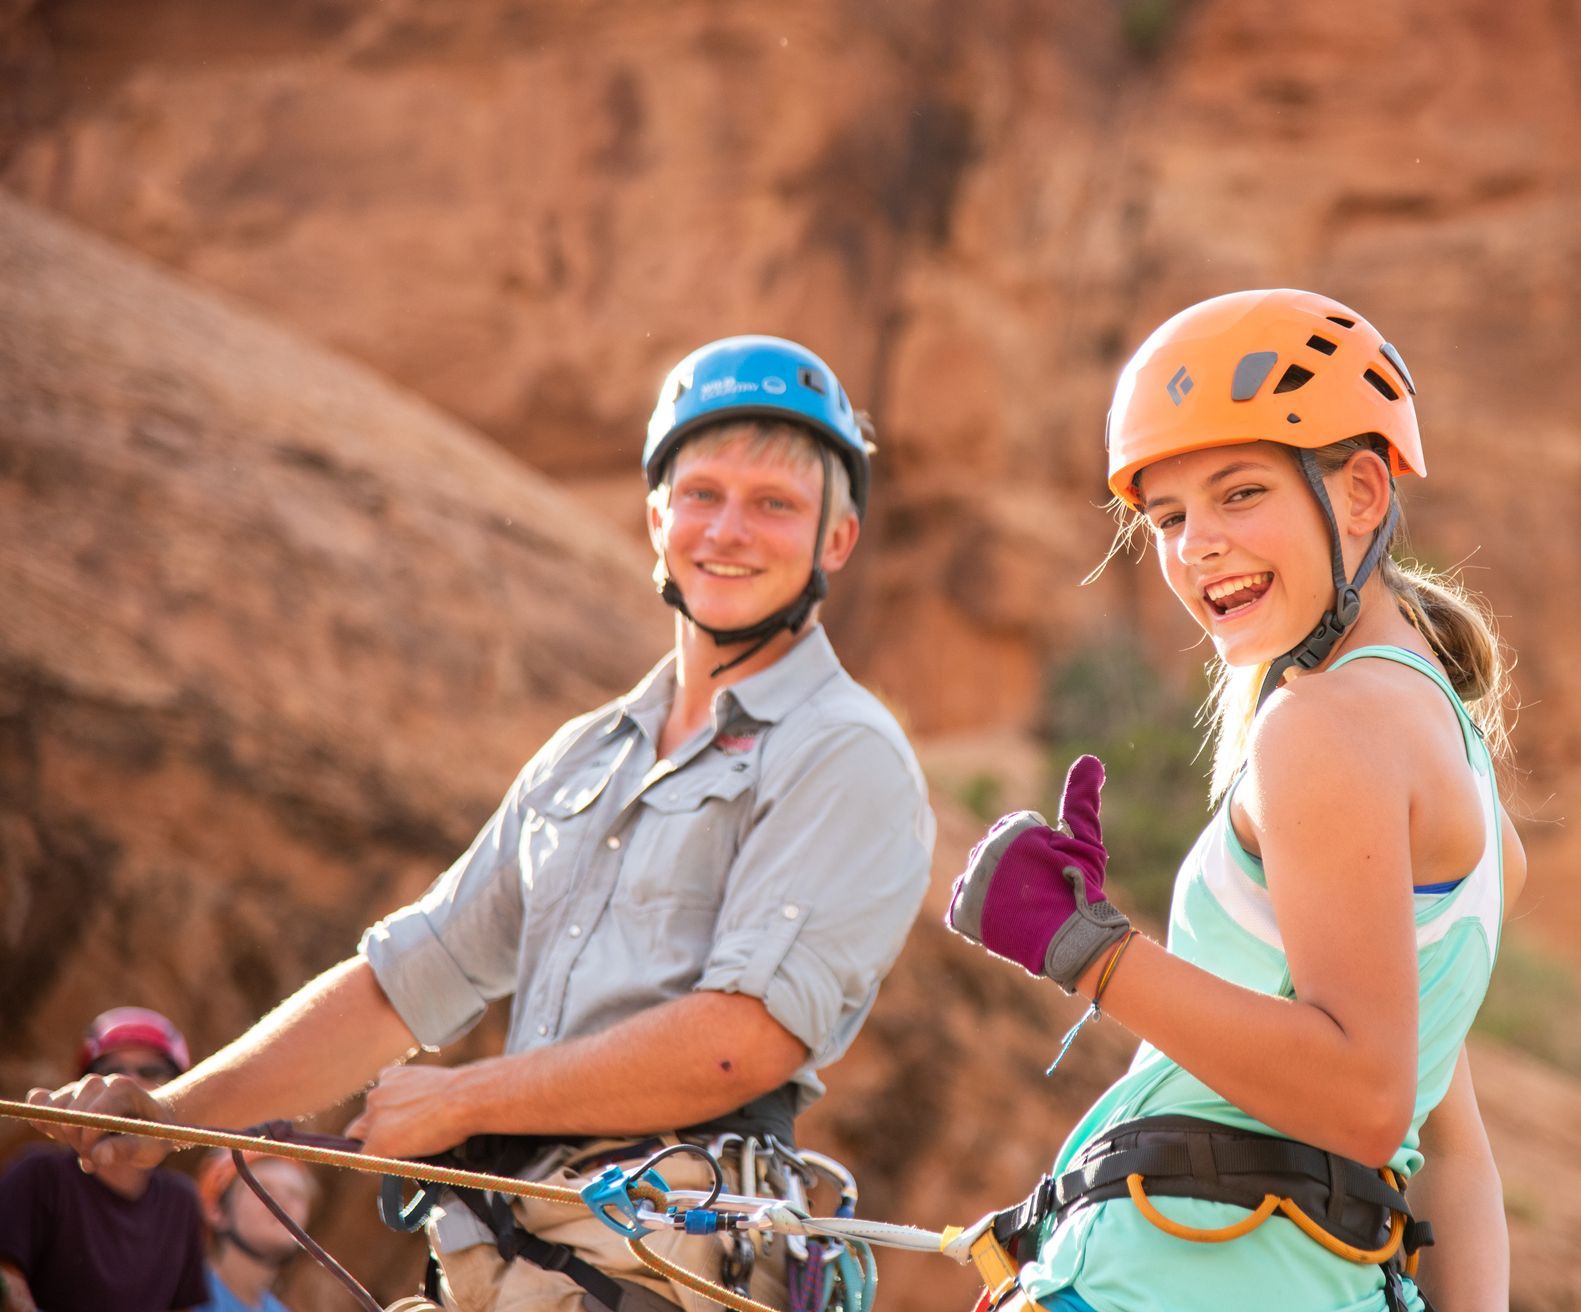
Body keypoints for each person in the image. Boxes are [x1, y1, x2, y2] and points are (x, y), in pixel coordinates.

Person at [27, 336, 935, 1311]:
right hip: (503, 1269)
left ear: (835, 541)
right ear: (655, 515)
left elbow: (739, 1045)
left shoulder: (843, 750)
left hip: (664, 1267)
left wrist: (463, 1099)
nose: (730, 529)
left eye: (776, 503)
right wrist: (172, 1113)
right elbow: (401, 986)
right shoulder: (585, 755)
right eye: (703, 492)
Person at [948, 290, 1526, 1312]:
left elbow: (1363, 1097)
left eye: (1240, 492)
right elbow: (1453, 1148)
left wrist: (1086, 949)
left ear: (1359, 491)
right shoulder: (1453, 763)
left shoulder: (1323, 724)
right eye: (1167, 517)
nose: (1196, 544)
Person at [0, 1008, 208, 1312]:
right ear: (85, 1086)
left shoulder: (182, 1203)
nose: (127, 1082)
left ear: (179, 1090)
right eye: (111, 1070)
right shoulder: (41, 1175)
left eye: (150, 1072)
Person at [194, 1153, 316, 1312]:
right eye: (263, 1189)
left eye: (295, 1194)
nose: (283, 1203)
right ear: (217, 1211)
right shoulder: (173, 1294)